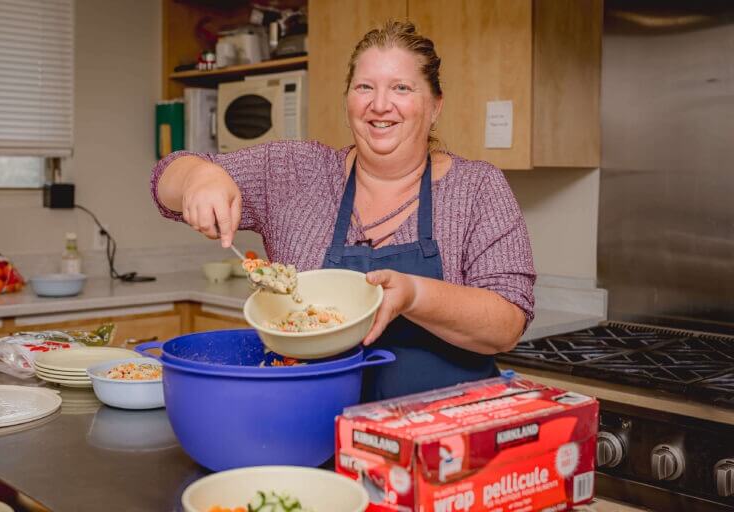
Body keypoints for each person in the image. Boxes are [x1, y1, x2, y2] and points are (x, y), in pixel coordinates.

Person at [151, 20, 535, 401]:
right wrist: (200, 177)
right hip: (313, 428)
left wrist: (415, 295)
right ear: (348, 98)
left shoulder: (478, 187)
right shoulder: (294, 171)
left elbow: (506, 324)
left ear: (434, 106)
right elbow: (166, 179)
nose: (380, 104)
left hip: (446, 438)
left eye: (401, 88)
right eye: (364, 87)